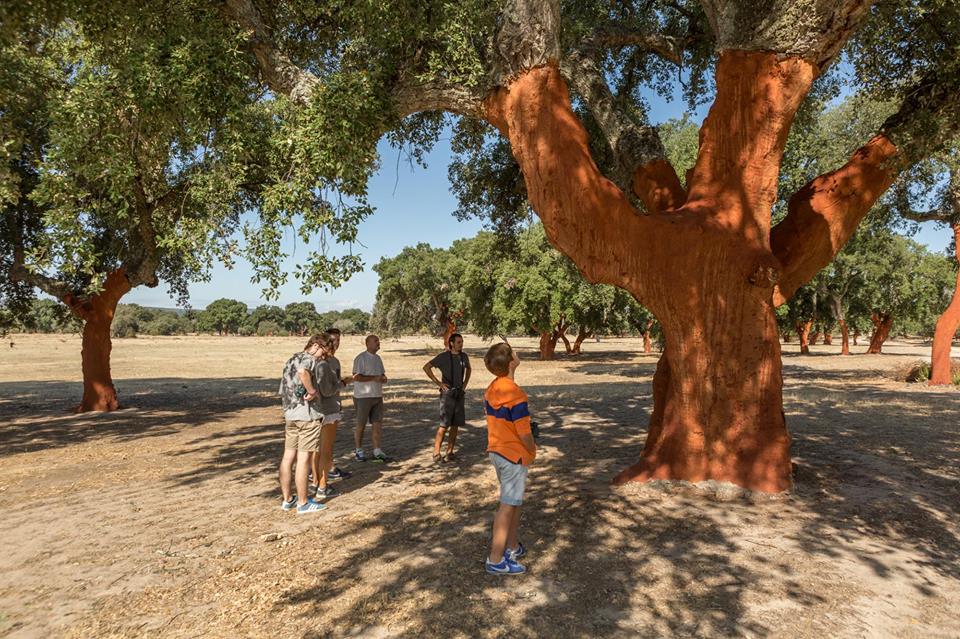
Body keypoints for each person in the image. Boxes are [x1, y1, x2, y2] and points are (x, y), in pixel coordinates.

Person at [482, 341, 536, 574]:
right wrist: (532, 450)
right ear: (512, 361)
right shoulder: (516, 394)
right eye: (514, 351)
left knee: (514, 503)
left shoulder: (494, 387)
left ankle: (512, 546)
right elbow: (524, 432)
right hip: (514, 455)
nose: (518, 351)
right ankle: (495, 559)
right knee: (507, 506)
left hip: (497, 451)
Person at [278, 334, 334, 514]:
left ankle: (287, 500)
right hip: (306, 416)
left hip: (290, 414)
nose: (324, 357)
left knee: (288, 457)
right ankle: (303, 502)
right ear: (317, 346)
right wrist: (312, 391)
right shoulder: (308, 360)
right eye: (324, 352)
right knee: (304, 459)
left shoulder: (292, 358)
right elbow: (303, 372)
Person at [312, 327, 352, 499]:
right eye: (333, 340)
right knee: (323, 449)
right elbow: (328, 389)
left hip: (332, 406)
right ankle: (321, 485)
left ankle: (318, 481)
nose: (336, 343)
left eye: (338, 340)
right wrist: (343, 383)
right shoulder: (320, 362)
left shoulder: (334, 361)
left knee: (322, 448)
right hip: (324, 409)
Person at [422, 333, 471, 463]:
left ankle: (450, 452)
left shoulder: (464, 356)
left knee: (455, 425)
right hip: (447, 394)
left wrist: (464, 385)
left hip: (459, 393)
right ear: (451, 343)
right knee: (444, 425)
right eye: (459, 342)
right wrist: (438, 383)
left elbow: (469, 369)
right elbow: (426, 367)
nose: (461, 344)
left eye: (462, 342)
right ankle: (436, 453)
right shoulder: (443, 357)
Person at [352, 334, 390, 462]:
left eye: (378, 341)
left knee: (377, 424)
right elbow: (356, 377)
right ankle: (358, 450)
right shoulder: (361, 358)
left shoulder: (378, 358)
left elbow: (382, 374)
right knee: (361, 424)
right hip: (363, 397)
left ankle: (377, 450)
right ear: (367, 343)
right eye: (375, 341)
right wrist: (374, 378)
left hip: (377, 396)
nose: (378, 343)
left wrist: (383, 378)